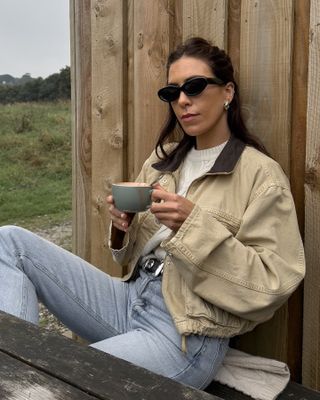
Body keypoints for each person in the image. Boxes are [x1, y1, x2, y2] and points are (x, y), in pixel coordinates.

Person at [0, 37, 305, 390]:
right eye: (172, 92)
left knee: (63, 378)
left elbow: (271, 284)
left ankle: (20, 378)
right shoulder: (166, 160)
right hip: (130, 297)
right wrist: (120, 228)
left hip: (183, 335)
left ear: (227, 92)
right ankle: (15, 362)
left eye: (194, 86)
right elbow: (126, 256)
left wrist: (194, 225)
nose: (183, 100)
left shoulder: (260, 176)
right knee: (9, 242)